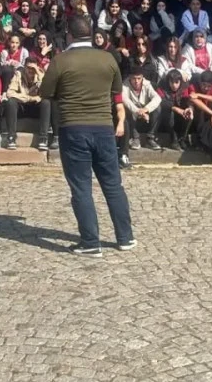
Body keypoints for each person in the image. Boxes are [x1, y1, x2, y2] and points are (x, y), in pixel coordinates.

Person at [39, 14, 135, 257]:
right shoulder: (108, 58)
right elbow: (115, 91)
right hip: (104, 127)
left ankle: (91, 242)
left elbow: (45, 92)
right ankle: (125, 238)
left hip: (73, 128)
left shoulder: (60, 60)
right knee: (113, 185)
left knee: (81, 187)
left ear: (69, 34)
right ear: (91, 34)